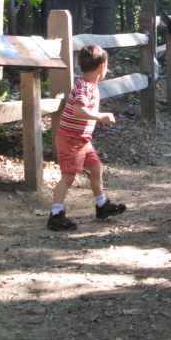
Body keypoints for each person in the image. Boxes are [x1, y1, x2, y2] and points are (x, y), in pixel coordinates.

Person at [47, 45, 126, 232]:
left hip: (82, 140)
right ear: (102, 66)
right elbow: (77, 110)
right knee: (68, 177)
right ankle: (56, 214)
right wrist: (101, 117)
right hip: (70, 139)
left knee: (97, 168)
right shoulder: (83, 86)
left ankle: (101, 205)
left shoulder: (90, 85)